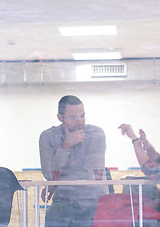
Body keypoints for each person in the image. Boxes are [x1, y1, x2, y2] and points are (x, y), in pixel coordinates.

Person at [94, 97, 160, 227]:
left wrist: (134, 140)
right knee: (106, 201)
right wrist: (146, 145)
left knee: (117, 211)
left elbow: (152, 171)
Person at [39, 95, 107, 227]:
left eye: (82, 116)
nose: (79, 121)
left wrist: (55, 183)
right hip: (64, 201)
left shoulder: (96, 134)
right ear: (60, 118)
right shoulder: (47, 136)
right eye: (73, 117)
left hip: (94, 199)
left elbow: (89, 174)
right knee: (53, 215)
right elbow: (49, 174)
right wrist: (66, 145)